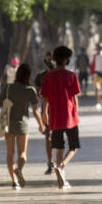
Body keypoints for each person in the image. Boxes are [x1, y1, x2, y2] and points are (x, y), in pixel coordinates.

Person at [0, 63, 44, 190]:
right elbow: (35, 111)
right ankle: (19, 169)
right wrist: (41, 125)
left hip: (8, 124)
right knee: (22, 154)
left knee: (10, 154)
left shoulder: (8, 88)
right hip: (23, 125)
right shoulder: (30, 90)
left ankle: (14, 182)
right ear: (28, 76)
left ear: (17, 74)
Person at [40, 45, 81, 189]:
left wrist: (44, 113)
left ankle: (60, 182)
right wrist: (76, 113)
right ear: (65, 60)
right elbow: (75, 98)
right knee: (74, 147)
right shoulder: (71, 76)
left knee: (58, 148)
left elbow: (44, 97)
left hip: (55, 117)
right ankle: (62, 165)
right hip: (70, 116)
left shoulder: (48, 76)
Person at [34, 52, 56, 175]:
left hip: (60, 110)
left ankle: (59, 163)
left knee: (58, 138)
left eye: (52, 60)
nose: (50, 63)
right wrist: (39, 99)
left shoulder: (61, 75)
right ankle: (50, 163)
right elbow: (36, 93)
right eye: (48, 61)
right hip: (46, 111)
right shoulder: (40, 76)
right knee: (48, 137)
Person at [90, 43, 102, 109]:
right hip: (96, 73)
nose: (99, 49)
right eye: (98, 48)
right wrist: (91, 74)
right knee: (97, 89)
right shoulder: (94, 56)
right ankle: (98, 103)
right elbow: (92, 65)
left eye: (100, 48)